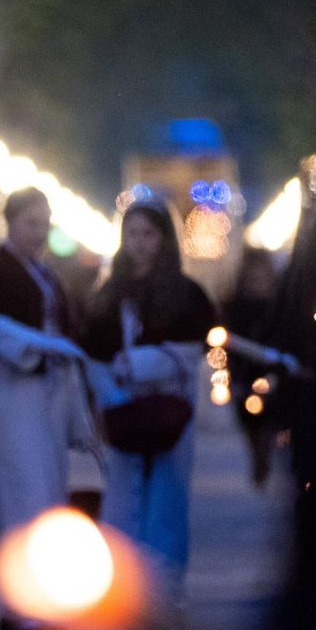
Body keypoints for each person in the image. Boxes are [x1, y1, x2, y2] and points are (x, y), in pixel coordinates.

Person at [0, 186, 89, 630]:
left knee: (46, 492)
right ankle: (21, 603)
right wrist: (38, 349)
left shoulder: (42, 271)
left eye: (44, 222)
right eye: (30, 222)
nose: (39, 232)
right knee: (20, 494)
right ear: (9, 222)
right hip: (9, 394)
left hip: (44, 396)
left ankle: (43, 598)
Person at [80, 197, 215, 605]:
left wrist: (135, 364)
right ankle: (123, 583)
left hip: (171, 408)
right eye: (132, 234)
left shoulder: (187, 294)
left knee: (168, 494)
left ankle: (163, 583)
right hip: (124, 409)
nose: (139, 243)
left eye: (149, 234)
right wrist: (111, 394)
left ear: (164, 239)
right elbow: (93, 352)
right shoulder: (107, 292)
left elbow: (191, 350)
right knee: (123, 493)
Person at [223, 247, 283, 487]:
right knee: (248, 420)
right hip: (242, 374)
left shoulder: (277, 307)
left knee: (266, 420)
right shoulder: (235, 305)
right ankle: (257, 455)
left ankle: (263, 455)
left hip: (268, 374)